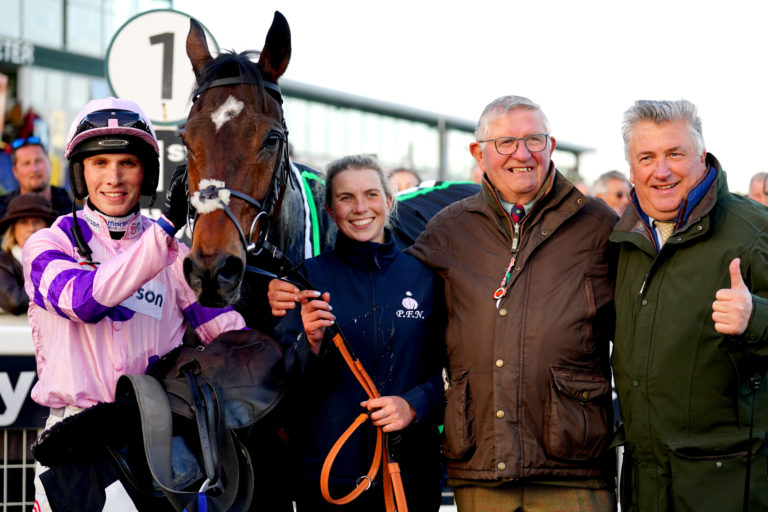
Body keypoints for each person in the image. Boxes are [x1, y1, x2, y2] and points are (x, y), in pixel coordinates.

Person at [23, 97, 246, 511]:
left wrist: (298, 325)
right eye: (100, 163)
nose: (114, 177)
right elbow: (85, 300)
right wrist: (162, 231)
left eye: (127, 162)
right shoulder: (47, 245)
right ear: (79, 173)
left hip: (157, 445)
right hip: (74, 444)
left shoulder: (176, 256)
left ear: (147, 173)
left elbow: (233, 341)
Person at [408, 95, 618, 511]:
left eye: (534, 140)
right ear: (478, 152)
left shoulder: (599, 226)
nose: (522, 154)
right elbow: (396, 301)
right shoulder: (448, 230)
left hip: (574, 467)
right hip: (481, 465)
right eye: (506, 142)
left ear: (551, 146)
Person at [611, 99, 768, 511]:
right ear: (631, 167)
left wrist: (758, 318)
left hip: (727, 487)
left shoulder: (755, 231)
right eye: (646, 157)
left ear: (701, 156)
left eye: (674, 154)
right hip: (645, 484)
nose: (660, 171)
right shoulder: (623, 239)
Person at [267, 154, 445, 511]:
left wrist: (415, 404)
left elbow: (455, 373)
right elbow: (286, 390)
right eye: (345, 197)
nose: (360, 207)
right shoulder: (306, 280)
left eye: (371, 194)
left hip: (409, 479)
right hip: (330, 481)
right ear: (330, 211)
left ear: (389, 202)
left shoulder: (426, 277)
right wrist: (310, 344)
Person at [0, 193, 57, 314]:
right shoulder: (2, 262)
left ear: (48, 228)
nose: (31, 228)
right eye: (23, 222)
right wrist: (55, 288)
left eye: (37, 221)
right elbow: (15, 301)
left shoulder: (63, 260)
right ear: (13, 230)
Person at [0, 136, 73, 218]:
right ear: (15, 172)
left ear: (50, 164)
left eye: (38, 161)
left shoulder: (73, 214)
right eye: (26, 163)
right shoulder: (3, 212)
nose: (34, 169)